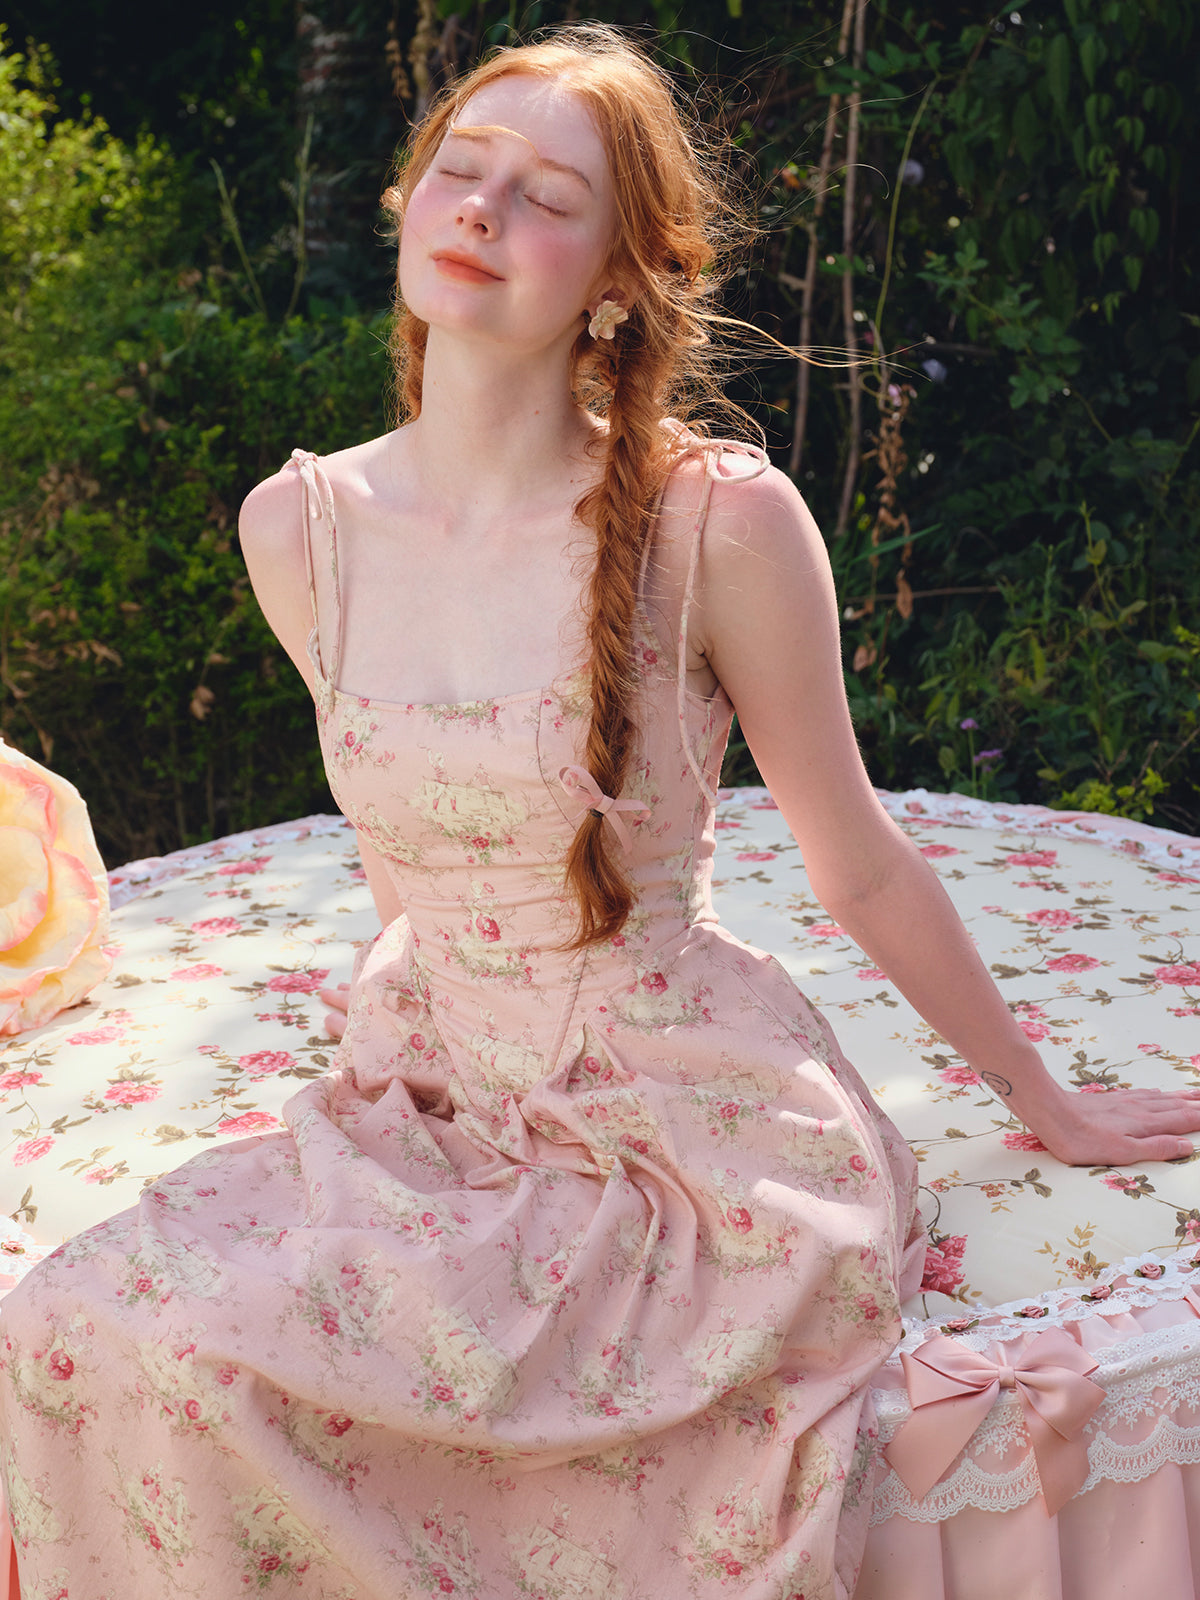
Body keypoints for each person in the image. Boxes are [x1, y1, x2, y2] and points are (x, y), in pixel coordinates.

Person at [2, 24, 1197, 1600]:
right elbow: (404, 849)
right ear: (407, 197)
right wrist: (408, 1027)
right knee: (70, 1327)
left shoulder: (722, 522)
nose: (485, 209)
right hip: (431, 1102)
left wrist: (1043, 1096)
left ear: (620, 277)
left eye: (548, 197)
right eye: (463, 168)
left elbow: (855, 862)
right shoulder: (301, 526)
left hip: (676, 1137)